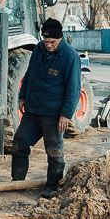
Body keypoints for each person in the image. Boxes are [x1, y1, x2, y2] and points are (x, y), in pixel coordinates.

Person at [11, 17, 80, 199]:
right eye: (45, 40)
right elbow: (29, 74)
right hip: (33, 111)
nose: (48, 45)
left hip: (53, 115)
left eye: (52, 42)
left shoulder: (70, 57)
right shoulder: (38, 51)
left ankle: (52, 187)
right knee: (19, 143)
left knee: (54, 152)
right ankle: (17, 182)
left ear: (60, 38)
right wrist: (22, 96)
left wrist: (66, 114)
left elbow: (73, 88)